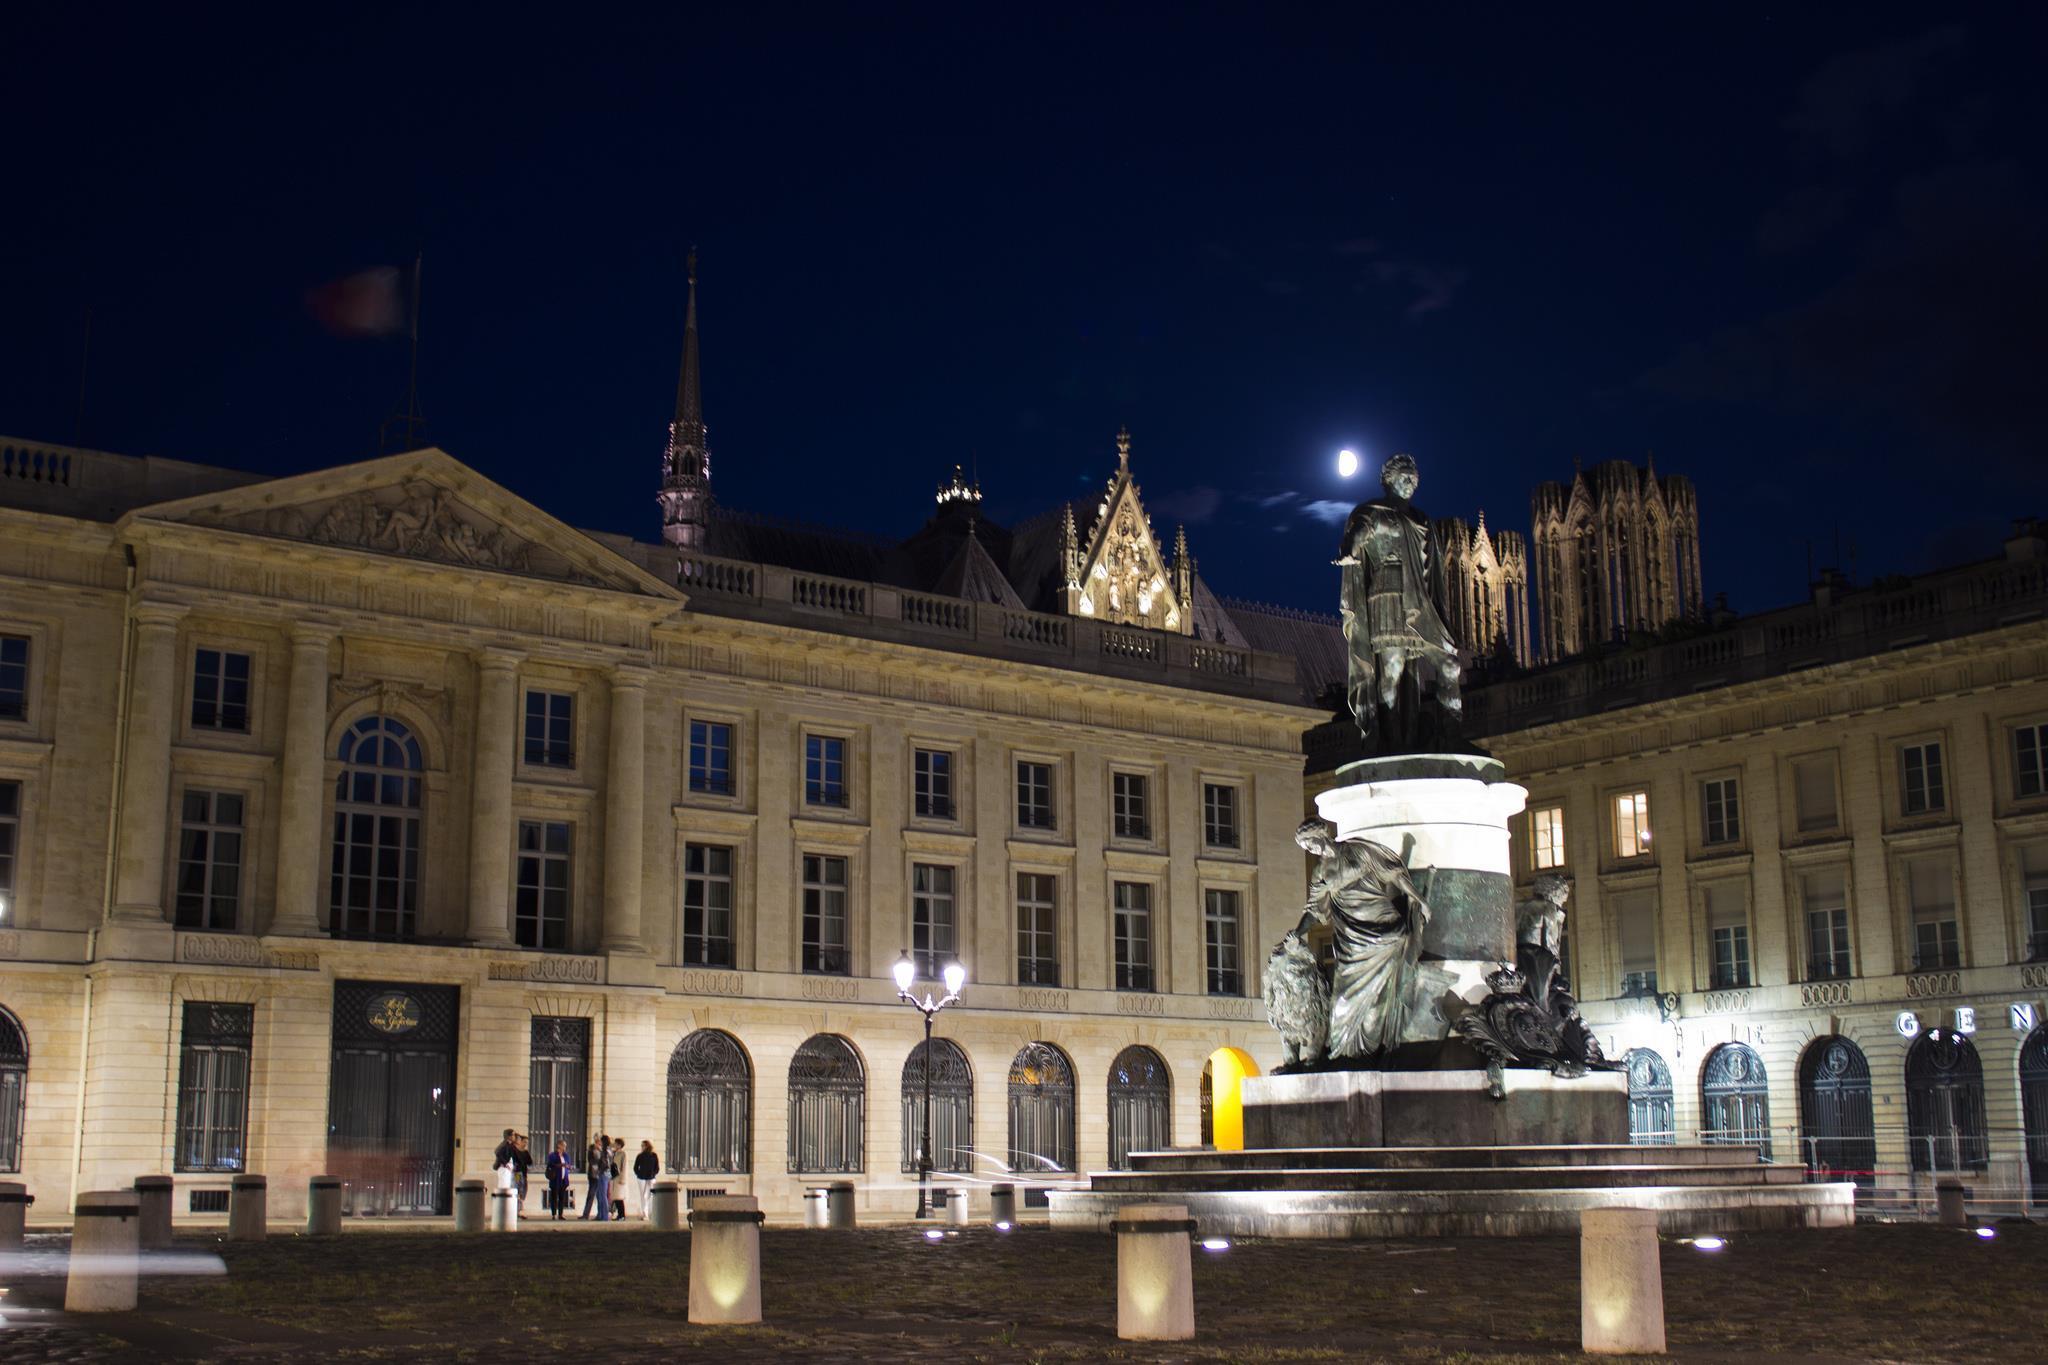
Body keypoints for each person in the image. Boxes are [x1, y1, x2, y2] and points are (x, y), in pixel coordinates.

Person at [1294, 818, 1434, 1059]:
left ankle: (1371, 1053)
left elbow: (1393, 874)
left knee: (1377, 1004)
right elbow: (1315, 910)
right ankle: (1345, 1054)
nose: (1309, 849)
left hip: (1382, 929)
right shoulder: (1320, 871)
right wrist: (1295, 933)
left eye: (1309, 843)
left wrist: (1418, 899)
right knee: (1340, 1004)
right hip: (1351, 940)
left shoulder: (1356, 851)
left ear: (1320, 834)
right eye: (1305, 847)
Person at [586, 1135, 613, 1223]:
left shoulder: (605, 1151)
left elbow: (604, 1163)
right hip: (606, 1173)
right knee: (601, 1194)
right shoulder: (608, 1150)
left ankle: (604, 1215)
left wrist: (599, 1170)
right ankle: (601, 1215)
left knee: (602, 1195)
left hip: (603, 1173)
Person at [545, 1140, 573, 1220]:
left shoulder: (566, 1155)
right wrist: (561, 1165)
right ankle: (554, 1214)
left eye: (565, 1146)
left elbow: (568, 1164)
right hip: (555, 1179)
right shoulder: (553, 1155)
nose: (565, 1147)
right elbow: (551, 1164)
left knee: (562, 1197)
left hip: (564, 1179)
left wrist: (568, 1166)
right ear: (559, 1145)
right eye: (563, 1145)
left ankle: (561, 1214)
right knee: (554, 1197)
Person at [582, 1135, 608, 1219]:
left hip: (599, 1175)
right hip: (593, 1175)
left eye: (599, 1141)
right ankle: (587, 1214)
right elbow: (591, 1160)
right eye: (597, 1141)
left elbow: (603, 1162)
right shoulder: (592, 1150)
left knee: (600, 1195)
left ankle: (601, 1215)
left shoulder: (603, 1151)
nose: (598, 1143)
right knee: (592, 1194)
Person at [632, 1140, 660, 1219]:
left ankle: (651, 1213)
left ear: (647, 1146)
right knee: (643, 1195)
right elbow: (635, 1167)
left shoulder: (654, 1155)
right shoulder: (640, 1156)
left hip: (651, 1177)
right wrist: (639, 1173)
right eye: (642, 1146)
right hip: (641, 1177)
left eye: (643, 1145)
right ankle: (645, 1213)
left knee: (651, 1195)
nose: (642, 1147)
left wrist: (653, 1173)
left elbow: (657, 1167)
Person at [510, 1133, 533, 1207]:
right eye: (524, 1142)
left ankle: (520, 1204)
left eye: (527, 1143)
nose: (525, 1144)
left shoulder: (526, 1152)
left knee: (524, 1189)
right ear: (521, 1142)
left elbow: (530, 1162)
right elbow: (516, 1161)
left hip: (524, 1173)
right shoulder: (515, 1151)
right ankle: (517, 1207)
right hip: (517, 1173)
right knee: (517, 1187)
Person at [612, 1138, 629, 1220]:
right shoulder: (614, 1153)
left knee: (619, 1197)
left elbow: (624, 1167)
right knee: (615, 1197)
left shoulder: (623, 1154)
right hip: (614, 1177)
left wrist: (623, 1178)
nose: (614, 1145)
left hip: (619, 1178)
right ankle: (619, 1214)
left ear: (619, 1145)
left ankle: (622, 1215)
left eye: (615, 1143)